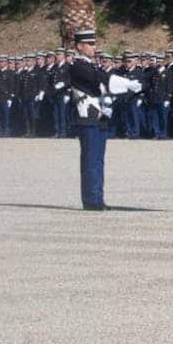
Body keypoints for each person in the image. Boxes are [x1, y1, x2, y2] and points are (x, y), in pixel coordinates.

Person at [67, 30, 142, 211]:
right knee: (91, 160)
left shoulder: (92, 65)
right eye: (90, 44)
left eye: (94, 44)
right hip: (88, 118)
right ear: (79, 46)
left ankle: (97, 198)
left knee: (98, 161)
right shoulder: (78, 66)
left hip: (99, 119)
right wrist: (126, 84)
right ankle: (91, 200)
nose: (94, 47)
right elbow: (100, 80)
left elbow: (102, 82)